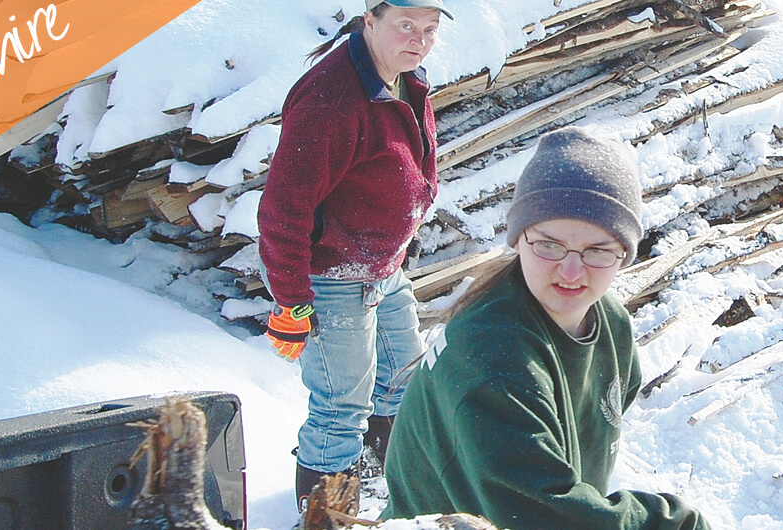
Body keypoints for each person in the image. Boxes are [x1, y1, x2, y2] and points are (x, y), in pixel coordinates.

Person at [381, 127, 709, 530]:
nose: (571, 272)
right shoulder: (491, 359)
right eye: (549, 245)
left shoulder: (611, 325)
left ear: (624, 253)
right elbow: (550, 518)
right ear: (519, 239)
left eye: (598, 250)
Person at [255, 0, 453, 508]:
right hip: (333, 278)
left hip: (383, 270)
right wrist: (292, 302)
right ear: (370, 20)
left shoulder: (408, 78)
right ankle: (326, 513)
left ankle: (379, 474)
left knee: (403, 375)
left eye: (429, 29)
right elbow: (283, 209)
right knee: (340, 405)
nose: (419, 38)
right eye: (405, 25)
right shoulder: (331, 101)